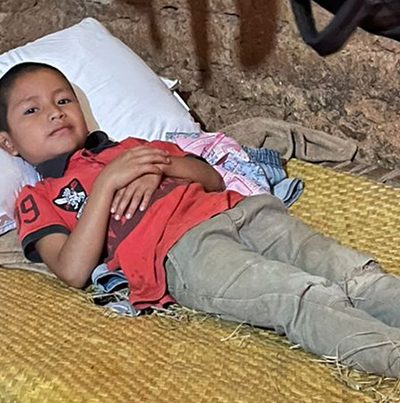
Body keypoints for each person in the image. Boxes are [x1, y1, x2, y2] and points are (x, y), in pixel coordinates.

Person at [1, 62, 400, 378]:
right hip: (185, 253)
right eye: (32, 110)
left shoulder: (132, 147)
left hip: (243, 211)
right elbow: (72, 270)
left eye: (63, 100)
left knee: (353, 273)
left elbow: (211, 177)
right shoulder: (37, 199)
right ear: (9, 143)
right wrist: (107, 184)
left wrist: (160, 167)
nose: (55, 113)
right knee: (296, 294)